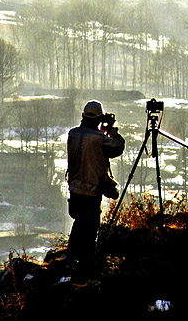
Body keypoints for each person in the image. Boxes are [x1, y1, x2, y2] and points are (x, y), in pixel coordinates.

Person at [66, 100, 125, 276]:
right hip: (92, 191)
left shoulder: (72, 134)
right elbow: (117, 147)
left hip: (75, 188)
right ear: (98, 118)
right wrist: (112, 131)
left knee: (78, 223)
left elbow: (88, 141)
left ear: (83, 116)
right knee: (90, 228)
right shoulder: (99, 139)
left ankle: (71, 259)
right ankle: (85, 268)